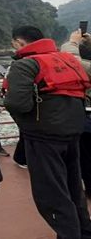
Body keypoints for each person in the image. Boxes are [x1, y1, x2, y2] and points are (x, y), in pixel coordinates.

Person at [5, 25, 91, 238]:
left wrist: (26, 125)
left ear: (19, 42)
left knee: (51, 194)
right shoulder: (67, 59)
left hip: (43, 137)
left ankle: (69, 234)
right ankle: (84, 232)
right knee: (73, 188)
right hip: (73, 132)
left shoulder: (25, 65)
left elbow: (18, 104)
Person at [62, 29, 91, 196]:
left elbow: (71, 60)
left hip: (85, 120)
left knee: (85, 157)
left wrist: (72, 42)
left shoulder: (85, 68)